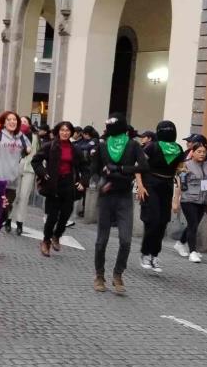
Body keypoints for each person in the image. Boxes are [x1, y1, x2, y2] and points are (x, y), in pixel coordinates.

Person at [90, 114, 148, 294]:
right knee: (101, 241)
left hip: (124, 196)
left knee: (125, 240)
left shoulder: (133, 145)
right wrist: (101, 179)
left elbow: (144, 166)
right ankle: (99, 275)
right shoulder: (102, 145)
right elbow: (94, 169)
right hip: (107, 195)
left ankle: (118, 274)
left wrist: (122, 169)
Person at [31, 121, 89, 257]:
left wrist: (83, 181)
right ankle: (46, 241)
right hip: (53, 183)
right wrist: (43, 172)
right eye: (62, 130)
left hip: (69, 183)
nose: (65, 132)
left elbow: (86, 167)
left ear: (71, 133)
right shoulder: (49, 146)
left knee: (65, 215)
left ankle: (57, 235)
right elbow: (36, 161)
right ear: (58, 131)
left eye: (67, 130)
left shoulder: (75, 149)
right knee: (52, 216)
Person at [135, 121, 184, 273]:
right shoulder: (152, 146)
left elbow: (179, 167)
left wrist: (182, 170)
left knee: (163, 222)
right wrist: (140, 186)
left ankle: (155, 255)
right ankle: (145, 253)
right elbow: (139, 165)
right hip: (151, 183)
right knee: (153, 220)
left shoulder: (178, 148)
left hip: (167, 184)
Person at [174, 142, 207, 263]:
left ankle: (180, 243)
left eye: (204, 152)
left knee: (193, 225)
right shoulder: (184, 165)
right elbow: (179, 185)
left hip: (202, 200)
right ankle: (193, 252)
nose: (202, 154)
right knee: (193, 224)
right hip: (188, 200)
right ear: (192, 153)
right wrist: (175, 202)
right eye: (199, 151)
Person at [0, 111, 31, 233]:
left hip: (12, 181)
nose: (12, 122)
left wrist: (28, 149)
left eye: (14, 120)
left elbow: (28, 148)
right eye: (9, 120)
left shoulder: (21, 136)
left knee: (5, 212)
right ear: (4, 122)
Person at [13, 116, 38, 236]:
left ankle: (20, 223)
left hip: (29, 168)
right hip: (14, 167)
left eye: (25, 121)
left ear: (29, 124)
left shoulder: (34, 137)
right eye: (20, 121)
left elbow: (37, 153)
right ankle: (8, 219)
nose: (22, 123)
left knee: (24, 197)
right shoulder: (12, 135)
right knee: (14, 195)